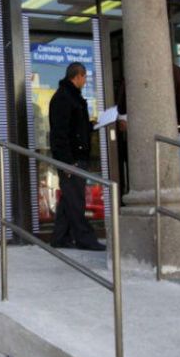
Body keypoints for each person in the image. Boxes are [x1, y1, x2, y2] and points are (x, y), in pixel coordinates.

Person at [48, 62, 106, 251]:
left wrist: (93, 125)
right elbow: (59, 133)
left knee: (69, 199)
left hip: (76, 156)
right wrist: (67, 162)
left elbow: (76, 128)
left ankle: (60, 238)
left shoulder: (72, 97)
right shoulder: (63, 98)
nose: (85, 81)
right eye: (85, 77)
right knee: (76, 200)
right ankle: (85, 239)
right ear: (78, 76)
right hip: (71, 159)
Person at [116, 63, 180, 195]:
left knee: (147, 185)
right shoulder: (175, 71)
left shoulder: (135, 68)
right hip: (174, 133)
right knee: (178, 186)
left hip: (144, 136)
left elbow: (121, 106)